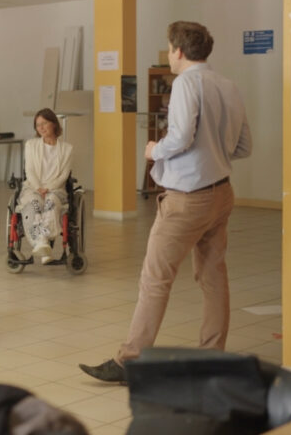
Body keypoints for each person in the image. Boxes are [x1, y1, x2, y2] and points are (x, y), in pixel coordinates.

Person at [79, 21, 252, 384]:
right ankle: (211, 357)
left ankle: (131, 361)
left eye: (169, 48)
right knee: (213, 277)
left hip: (188, 198)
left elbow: (181, 137)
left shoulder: (187, 83)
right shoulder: (227, 85)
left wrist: (155, 149)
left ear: (178, 51)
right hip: (221, 192)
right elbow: (243, 147)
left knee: (155, 279)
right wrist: (213, 154)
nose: (169, 54)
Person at [18, 108, 73, 265]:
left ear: (54, 124)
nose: (41, 128)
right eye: (37, 125)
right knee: (33, 205)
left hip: (56, 189)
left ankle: (42, 243)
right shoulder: (31, 145)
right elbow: (29, 170)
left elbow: (64, 175)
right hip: (33, 187)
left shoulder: (67, 149)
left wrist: (48, 188)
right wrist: (38, 187)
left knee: (51, 203)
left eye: (44, 123)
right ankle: (42, 242)